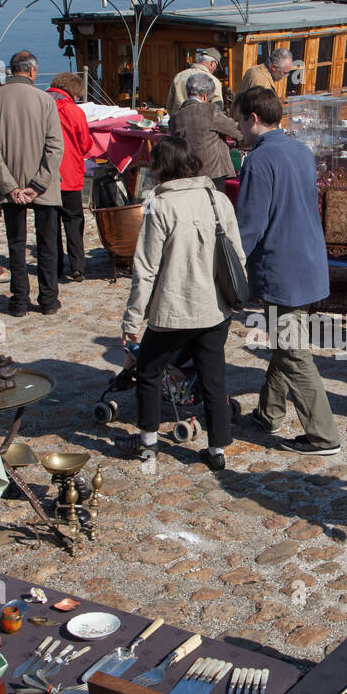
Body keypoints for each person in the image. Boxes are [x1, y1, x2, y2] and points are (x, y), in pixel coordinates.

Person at [118, 137, 247, 471]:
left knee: (147, 370)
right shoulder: (218, 200)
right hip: (214, 307)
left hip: (172, 310)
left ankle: (148, 442)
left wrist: (132, 322)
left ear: (161, 168)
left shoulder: (159, 205)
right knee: (212, 377)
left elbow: (145, 269)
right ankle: (218, 448)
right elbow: (237, 254)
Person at [233, 86, 341, 456]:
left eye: (239, 120)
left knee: (293, 352)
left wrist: (228, 264)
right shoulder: (300, 151)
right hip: (310, 262)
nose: (237, 128)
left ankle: (324, 435)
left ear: (253, 118)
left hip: (283, 269)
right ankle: (268, 414)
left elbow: (249, 224)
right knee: (284, 343)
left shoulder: (259, 161)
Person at [0, 51, 63, 317]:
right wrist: (38, 184)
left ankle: (19, 300)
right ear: (32, 71)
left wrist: (10, 186)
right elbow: (54, 146)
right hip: (43, 185)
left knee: (16, 243)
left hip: (10, 184)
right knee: (47, 243)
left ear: (11, 71)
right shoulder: (44, 100)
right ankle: (48, 299)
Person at [47, 71, 92, 283]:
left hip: (45, 173)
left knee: (50, 223)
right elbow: (85, 144)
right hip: (69, 173)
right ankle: (77, 266)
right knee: (73, 220)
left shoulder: (40, 105)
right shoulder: (73, 110)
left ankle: (54, 265)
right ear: (73, 91)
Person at [171, 72, 242, 191]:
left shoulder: (175, 118)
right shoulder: (210, 110)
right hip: (213, 175)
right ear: (205, 95)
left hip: (187, 174)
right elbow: (237, 132)